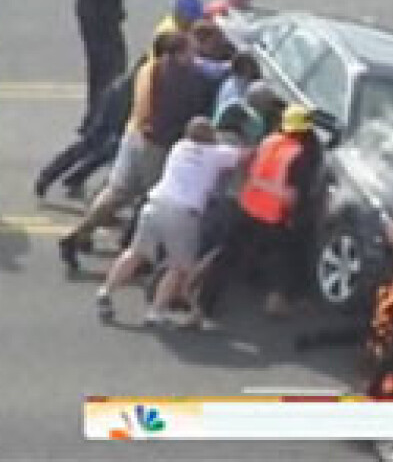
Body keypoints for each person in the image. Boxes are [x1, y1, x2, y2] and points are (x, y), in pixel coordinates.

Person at [59, 31, 217, 271]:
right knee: (153, 201)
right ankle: (139, 255)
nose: (194, 56)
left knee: (116, 192)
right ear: (174, 55)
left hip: (133, 136)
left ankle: (79, 234)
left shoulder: (148, 69)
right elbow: (195, 107)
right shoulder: (187, 82)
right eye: (189, 52)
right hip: (156, 146)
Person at [96, 116, 244, 324]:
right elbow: (245, 156)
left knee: (135, 253)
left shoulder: (179, 147)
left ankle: (106, 291)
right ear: (210, 137)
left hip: (154, 206)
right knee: (180, 267)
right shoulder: (216, 154)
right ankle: (156, 311)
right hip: (182, 214)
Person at [197, 104, 322, 318]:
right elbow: (291, 195)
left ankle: (201, 300)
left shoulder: (269, 141)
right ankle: (276, 303)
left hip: (247, 207)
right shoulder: (299, 155)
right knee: (285, 260)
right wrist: (294, 216)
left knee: (226, 256)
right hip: (273, 216)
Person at [76, 0, 127, 132]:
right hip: (102, 15)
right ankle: (102, 119)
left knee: (99, 68)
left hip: (95, 11)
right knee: (111, 68)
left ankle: (94, 115)